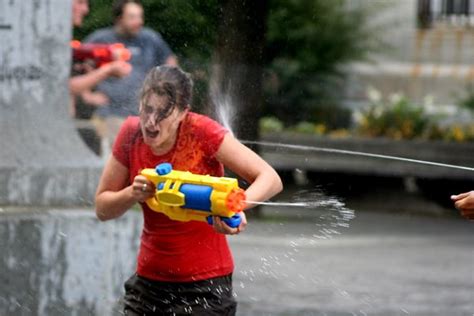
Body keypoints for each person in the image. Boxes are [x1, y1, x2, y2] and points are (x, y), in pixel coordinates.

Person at [95, 65, 283, 315]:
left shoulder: (202, 131)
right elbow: (102, 208)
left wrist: (236, 205)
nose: (151, 122)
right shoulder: (130, 134)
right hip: (148, 284)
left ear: (183, 112)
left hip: (205, 287)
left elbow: (270, 178)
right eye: (147, 109)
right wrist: (131, 193)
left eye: (163, 113)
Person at [84, 0, 178, 150]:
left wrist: (167, 94)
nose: (139, 22)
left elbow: (171, 64)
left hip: (146, 116)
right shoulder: (100, 40)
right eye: (132, 17)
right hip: (111, 114)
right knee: (121, 157)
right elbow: (79, 67)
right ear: (119, 18)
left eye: (140, 16)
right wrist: (86, 95)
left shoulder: (150, 38)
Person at [69, 0, 131, 98]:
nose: (86, 10)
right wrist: (108, 70)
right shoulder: (51, 40)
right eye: (80, 2)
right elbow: (66, 87)